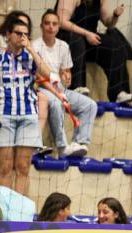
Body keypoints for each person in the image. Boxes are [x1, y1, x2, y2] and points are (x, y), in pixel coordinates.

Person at [0, 15, 50, 196]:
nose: (22, 37)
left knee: (23, 167)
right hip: (3, 116)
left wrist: (32, 49)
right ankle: (4, 208)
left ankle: (19, 209)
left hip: (28, 116)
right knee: (4, 167)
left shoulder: (31, 56)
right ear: (8, 35)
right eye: (18, 33)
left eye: (26, 34)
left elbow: (47, 74)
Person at [33, 9, 97, 157]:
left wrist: (66, 77)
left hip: (61, 89)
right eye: (47, 23)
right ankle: (62, 147)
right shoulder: (34, 46)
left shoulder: (63, 46)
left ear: (58, 27)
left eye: (54, 24)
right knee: (56, 103)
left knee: (90, 105)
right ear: (41, 26)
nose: (51, 27)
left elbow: (66, 72)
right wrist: (58, 92)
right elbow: (38, 77)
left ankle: (79, 142)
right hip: (43, 89)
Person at [55, 0, 132, 103]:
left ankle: (118, 92)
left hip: (88, 39)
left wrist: (115, 16)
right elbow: (61, 21)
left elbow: (108, 23)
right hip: (67, 38)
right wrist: (86, 33)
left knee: (114, 45)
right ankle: (77, 87)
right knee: (77, 41)